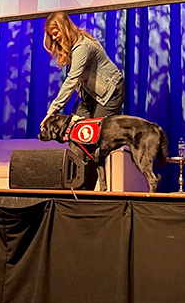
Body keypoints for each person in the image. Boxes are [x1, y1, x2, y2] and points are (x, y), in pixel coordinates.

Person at [41, 13, 125, 189]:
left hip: (109, 93)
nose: (54, 38)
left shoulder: (82, 46)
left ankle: (87, 189)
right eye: (51, 35)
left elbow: (71, 80)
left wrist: (52, 111)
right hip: (90, 95)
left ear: (64, 28)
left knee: (92, 139)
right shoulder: (71, 47)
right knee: (76, 135)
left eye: (56, 33)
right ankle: (76, 186)